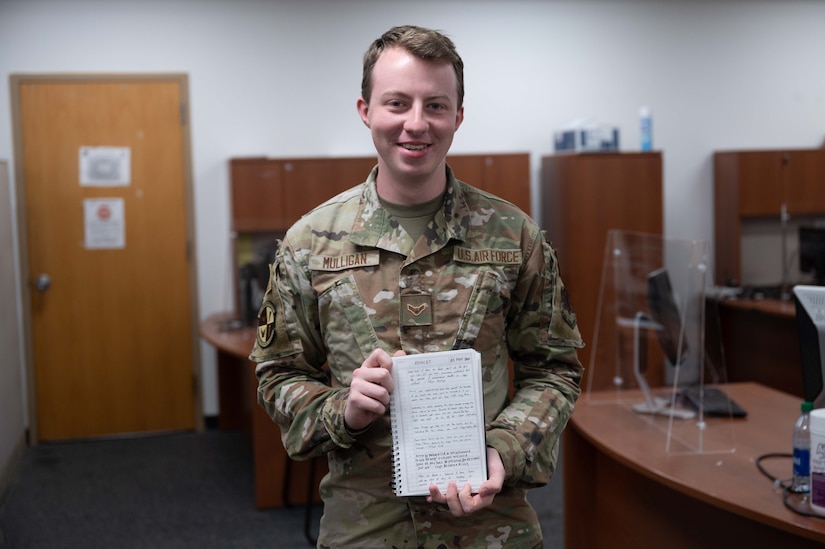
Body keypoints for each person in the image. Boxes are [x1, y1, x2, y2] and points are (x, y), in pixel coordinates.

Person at [249, 24, 584, 549]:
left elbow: (554, 370)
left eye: (435, 105)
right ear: (365, 110)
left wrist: (505, 448)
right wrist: (345, 408)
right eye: (397, 103)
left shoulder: (513, 236)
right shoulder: (310, 243)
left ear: (458, 116)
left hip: (490, 527)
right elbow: (278, 375)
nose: (415, 123)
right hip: (366, 528)